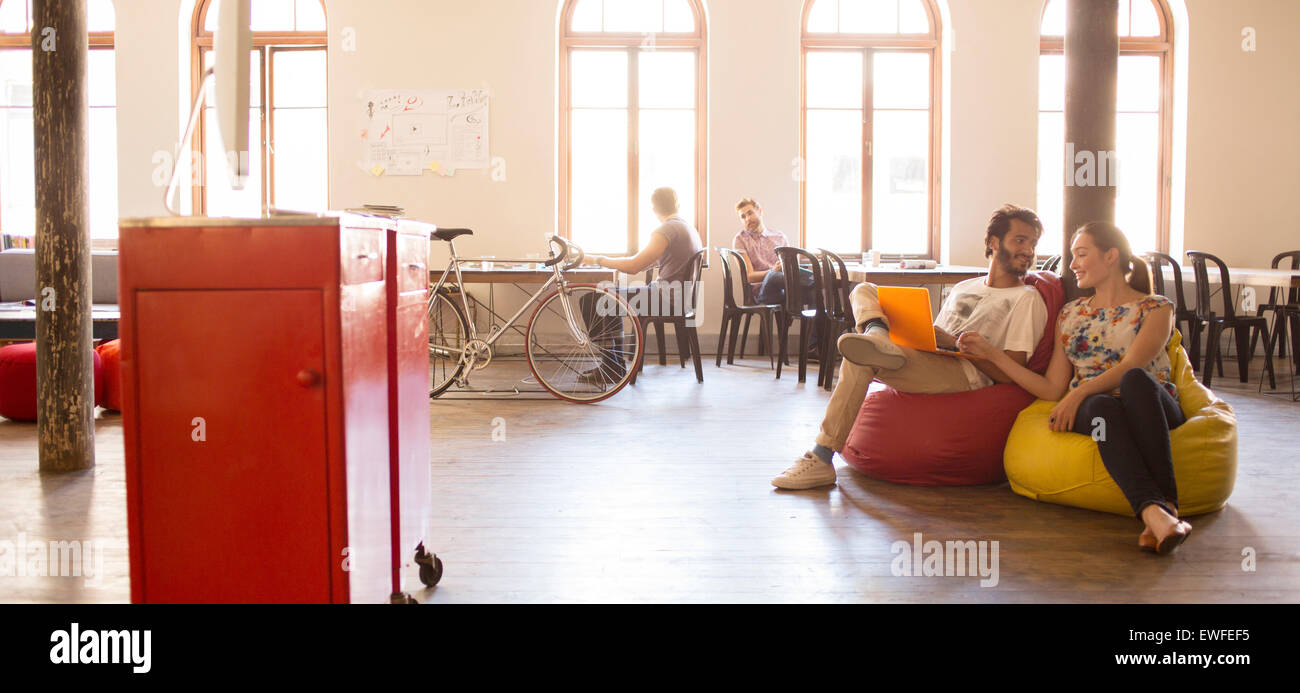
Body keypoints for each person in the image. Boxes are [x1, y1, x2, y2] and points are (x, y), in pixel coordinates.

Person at [771, 204, 1048, 490]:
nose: (1028, 250)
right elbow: (936, 336)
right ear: (993, 242)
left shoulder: (1026, 299)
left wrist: (954, 344)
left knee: (860, 358)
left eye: (1033, 243)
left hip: (965, 372)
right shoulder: (965, 287)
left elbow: (1012, 373)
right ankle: (878, 332)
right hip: (930, 355)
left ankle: (821, 456)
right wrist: (925, 335)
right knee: (863, 290)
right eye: (1020, 240)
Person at [958, 222, 1192, 555]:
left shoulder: (1156, 308)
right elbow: (1052, 388)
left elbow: (1132, 366)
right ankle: (1157, 515)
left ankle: (1166, 506)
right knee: (1101, 408)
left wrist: (1078, 393)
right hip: (1099, 411)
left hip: (1152, 407)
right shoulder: (1071, 314)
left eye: (1081, 254)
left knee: (1134, 381)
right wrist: (992, 355)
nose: (1072, 265)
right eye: (1072, 256)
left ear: (1111, 256)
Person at [578, 187, 703, 384]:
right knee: (606, 297)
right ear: (677, 204)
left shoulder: (666, 230)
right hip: (677, 299)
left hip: (664, 299)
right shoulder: (687, 228)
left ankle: (612, 366)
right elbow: (645, 261)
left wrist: (597, 259)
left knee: (591, 300)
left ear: (653, 209)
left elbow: (634, 266)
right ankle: (614, 365)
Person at [732, 198, 818, 353]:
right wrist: (773, 270)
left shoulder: (779, 236)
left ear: (760, 211)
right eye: (743, 217)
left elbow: (792, 269)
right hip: (762, 292)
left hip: (785, 289)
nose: (747, 219)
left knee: (814, 293)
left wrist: (784, 270)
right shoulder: (740, 239)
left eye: (750, 213)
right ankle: (814, 279)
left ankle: (813, 348)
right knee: (776, 276)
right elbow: (749, 277)